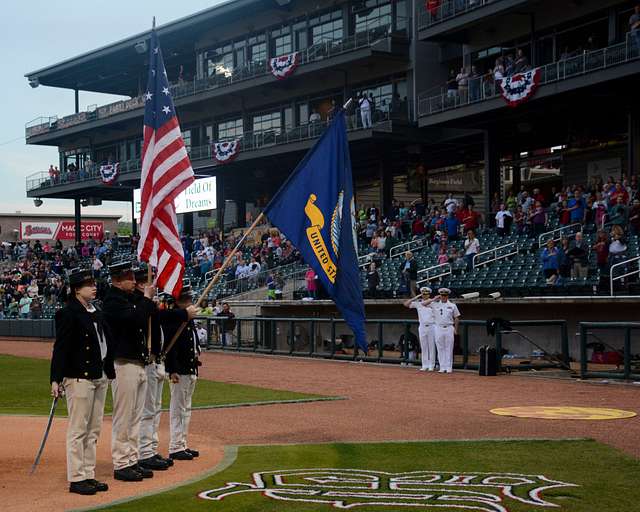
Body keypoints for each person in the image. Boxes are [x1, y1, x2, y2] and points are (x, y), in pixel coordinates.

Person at [50, 268, 114, 495]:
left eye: (94, 283)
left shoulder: (96, 311)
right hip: (78, 376)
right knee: (78, 429)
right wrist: (55, 379)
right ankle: (76, 478)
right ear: (77, 289)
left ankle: (88, 473)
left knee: (93, 429)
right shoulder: (68, 313)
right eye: (88, 284)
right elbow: (61, 347)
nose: (94, 287)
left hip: (98, 375)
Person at [102, 261, 156, 482]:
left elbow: (149, 313)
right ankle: (121, 462)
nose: (134, 281)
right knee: (124, 416)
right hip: (122, 363)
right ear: (116, 280)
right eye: (129, 278)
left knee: (135, 415)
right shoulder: (112, 301)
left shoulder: (129, 298)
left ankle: (132, 459)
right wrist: (145, 298)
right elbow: (136, 318)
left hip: (137, 361)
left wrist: (147, 296)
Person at [163, 284, 201, 461]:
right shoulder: (175, 320)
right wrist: (172, 369)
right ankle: (175, 446)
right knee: (178, 409)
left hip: (190, 367)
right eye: (186, 299)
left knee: (186, 409)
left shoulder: (189, 319)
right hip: (180, 370)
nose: (190, 302)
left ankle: (182, 443)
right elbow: (170, 347)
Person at [404, 287, 437, 372]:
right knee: (424, 346)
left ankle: (431, 365)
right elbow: (406, 304)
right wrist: (415, 297)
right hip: (422, 326)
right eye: (423, 294)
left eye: (426, 294)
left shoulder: (433, 302)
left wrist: (431, 299)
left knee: (431, 346)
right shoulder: (418, 303)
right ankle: (424, 364)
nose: (424, 295)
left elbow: (426, 303)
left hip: (431, 326)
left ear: (429, 294)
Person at [431, 288, 460, 373]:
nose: (443, 297)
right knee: (440, 348)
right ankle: (442, 367)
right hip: (438, 327)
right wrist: (433, 299)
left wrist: (456, 329)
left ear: (447, 296)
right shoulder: (435, 304)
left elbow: (457, 318)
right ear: (440, 295)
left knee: (449, 347)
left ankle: (448, 367)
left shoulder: (452, 305)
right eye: (442, 295)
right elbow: (424, 304)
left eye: (445, 295)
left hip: (449, 327)